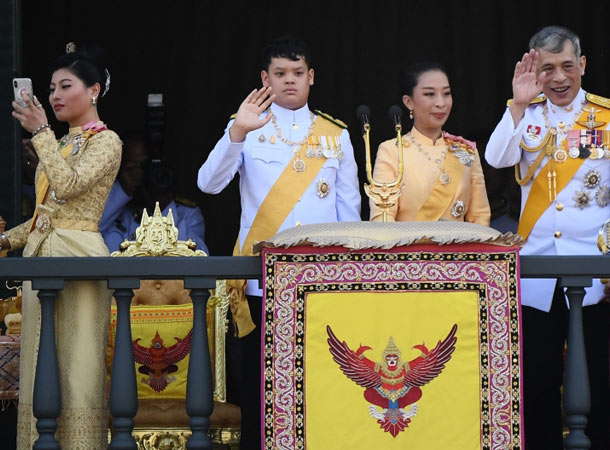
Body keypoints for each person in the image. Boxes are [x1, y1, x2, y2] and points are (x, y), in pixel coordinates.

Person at [484, 26, 610, 449]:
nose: (559, 78)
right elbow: (497, 157)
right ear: (534, 70)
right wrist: (518, 105)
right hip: (537, 269)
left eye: (567, 67)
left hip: (595, 273)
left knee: (596, 375)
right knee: (536, 377)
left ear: (583, 66)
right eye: (548, 69)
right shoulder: (528, 113)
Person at [196, 36, 360, 449]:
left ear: (311, 78)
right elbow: (208, 184)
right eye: (280, 74)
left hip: (322, 282)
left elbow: (351, 220)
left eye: (298, 73)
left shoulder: (335, 135)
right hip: (260, 284)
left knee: (322, 385)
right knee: (260, 391)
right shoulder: (248, 127)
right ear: (264, 78)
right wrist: (237, 130)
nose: (290, 81)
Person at [4, 42, 121, 449]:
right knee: (40, 364)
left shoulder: (107, 142)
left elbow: (69, 188)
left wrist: (40, 132)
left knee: (78, 365)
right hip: (43, 258)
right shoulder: (64, 142)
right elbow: (45, 215)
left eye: (65, 85)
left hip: (79, 259)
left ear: (93, 91)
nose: (54, 95)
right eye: (51, 87)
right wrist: (6, 239)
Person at [369, 61, 490, 224]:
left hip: (458, 249)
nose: (441, 103)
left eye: (446, 93)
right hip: (408, 248)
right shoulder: (391, 151)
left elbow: (480, 217)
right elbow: (382, 220)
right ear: (408, 102)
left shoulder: (465, 151)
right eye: (429, 94)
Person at [100, 137, 208, 254]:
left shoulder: (188, 214)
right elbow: (92, 234)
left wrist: (166, 208)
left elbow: (199, 256)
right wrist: (123, 189)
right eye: (137, 166)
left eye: (147, 165)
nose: (148, 173)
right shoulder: (116, 213)